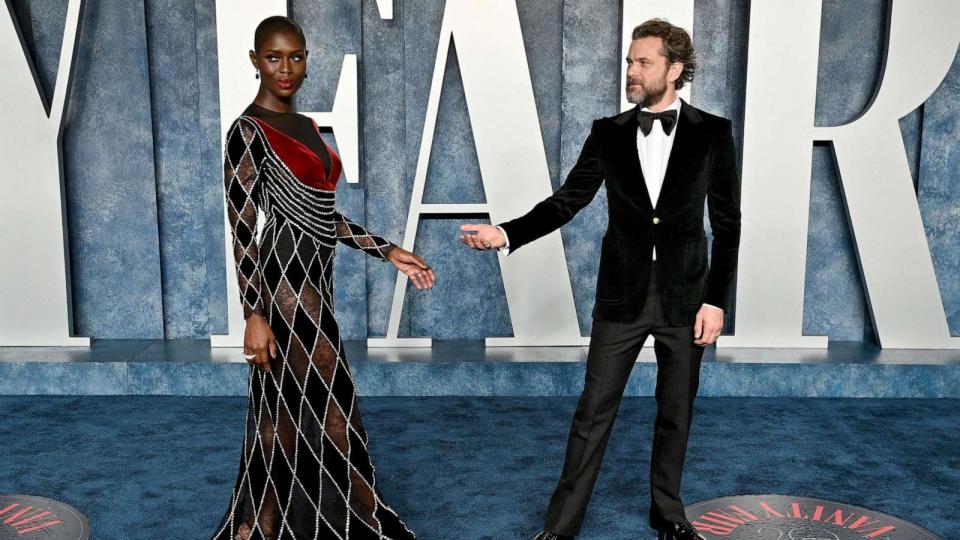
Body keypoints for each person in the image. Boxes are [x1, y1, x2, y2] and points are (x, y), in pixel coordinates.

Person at [460, 19, 740, 540]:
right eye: (630, 61)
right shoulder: (607, 133)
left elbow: (728, 224)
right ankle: (560, 526)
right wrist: (506, 234)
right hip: (621, 296)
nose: (631, 71)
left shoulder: (713, 133)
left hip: (687, 297)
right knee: (593, 412)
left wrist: (716, 301)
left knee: (675, 411)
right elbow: (568, 201)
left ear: (675, 70)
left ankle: (668, 513)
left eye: (643, 62)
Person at [212, 16, 430, 540]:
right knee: (299, 402)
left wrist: (388, 250)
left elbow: (321, 217)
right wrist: (253, 314)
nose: (285, 69)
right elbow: (242, 227)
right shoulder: (247, 131)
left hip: (316, 283)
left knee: (307, 402)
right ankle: (270, 523)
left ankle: (310, 516)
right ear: (254, 60)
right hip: (281, 285)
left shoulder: (308, 127)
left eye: (296, 57)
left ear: (307, 59)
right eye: (273, 57)